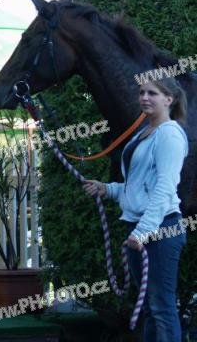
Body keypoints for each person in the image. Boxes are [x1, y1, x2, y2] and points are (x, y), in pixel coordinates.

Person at [83, 77, 188, 342]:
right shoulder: (146, 132)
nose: (144, 97)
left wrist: (144, 231)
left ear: (169, 99)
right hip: (143, 228)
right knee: (152, 308)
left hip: (161, 229)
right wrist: (108, 189)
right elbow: (139, 185)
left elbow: (165, 186)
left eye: (152, 93)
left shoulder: (169, 135)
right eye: (142, 92)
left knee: (162, 307)